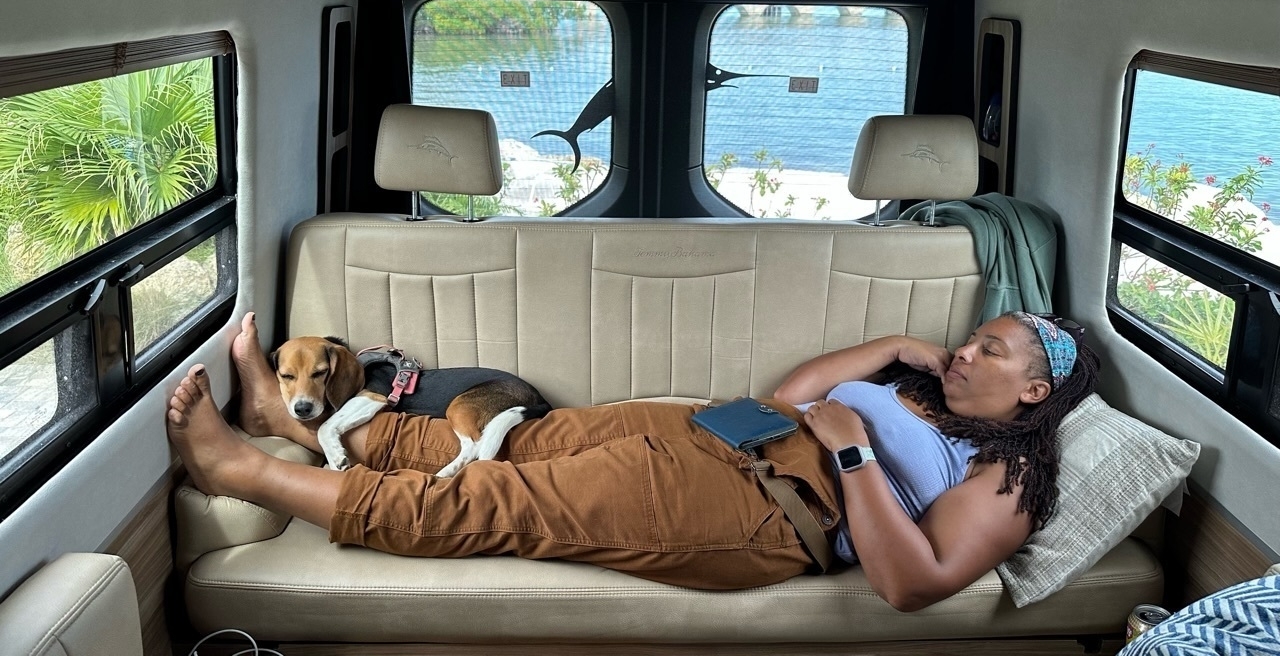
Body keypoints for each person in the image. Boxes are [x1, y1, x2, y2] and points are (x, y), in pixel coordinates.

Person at [166, 310, 1098, 610]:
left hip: (773, 505)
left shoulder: (1009, 475)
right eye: (973, 336)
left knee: (498, 497)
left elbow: (914, 584)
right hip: (727, 427)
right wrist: (902, 346)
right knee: (506, 432)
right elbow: (798, 384)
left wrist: (854, 459)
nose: (968, 351)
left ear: (1033, 394)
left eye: (993, 351)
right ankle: (287, 422)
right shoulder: (922, 385)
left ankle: (243, 470)